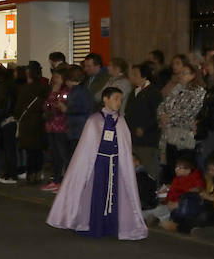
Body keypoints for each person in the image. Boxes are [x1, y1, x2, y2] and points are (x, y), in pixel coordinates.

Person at [47, 87, 147, 240]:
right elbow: (86, 148)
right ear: (105, 99)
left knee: (114, 194)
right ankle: (95, 225)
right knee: (98, 193)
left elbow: (125, 146)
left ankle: (111, 226)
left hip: (115, 164)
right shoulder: (94, 120)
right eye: (115, 98)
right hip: (98, 163)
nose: (118, 102)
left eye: (120, 99)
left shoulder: (120, 121)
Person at [157, 62, 206, 183]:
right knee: (169, 168)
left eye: (184, 73)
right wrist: (162, 115)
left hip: (184, 136)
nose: (181, 76)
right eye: (181, 73)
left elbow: (190, 111)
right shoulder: (177, 88)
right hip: (170, 135)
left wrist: (170, 118)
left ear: (193, 75)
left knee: (183, 169)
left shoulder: (198, 92)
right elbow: (163, 104)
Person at [124, 62, 161, 183]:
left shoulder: (153, 92)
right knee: (133, 168)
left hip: (147, 139)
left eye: (135, 74)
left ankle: (152, 193)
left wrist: (144, 128)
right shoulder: (133, 92)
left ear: (144, 76)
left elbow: (157, 115)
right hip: (132, 136)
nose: (132, 77)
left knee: (149, 167)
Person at [15, 61, 48, 184]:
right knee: (38, 150)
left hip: (27, 122)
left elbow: (18, 107)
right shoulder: (44, 86)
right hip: (40, 122)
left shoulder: (25, 88)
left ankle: (31, 174)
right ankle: (38, 173)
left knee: (30, 151)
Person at [158, 154, 205, 233]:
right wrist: (164, 198)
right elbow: (171, 194)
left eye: (180, 168)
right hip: (172, 205)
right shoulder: (176, 179)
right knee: (159, 209)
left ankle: (171, 224)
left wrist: (177, 203)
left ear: (188, 169)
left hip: (184, 207)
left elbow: (193, 192)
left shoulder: (195, 179)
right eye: (176, 167)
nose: (177, 169)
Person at [42, 68, 70, 192]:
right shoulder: (53, 89)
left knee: (63, 154)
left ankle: (64, 181)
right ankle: (56, 179)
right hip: (51, 126)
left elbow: (60, 106)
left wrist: (53, 104)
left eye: (57, 77)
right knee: (54, 154)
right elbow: (48, 105)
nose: (55, 79)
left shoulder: (66, 91)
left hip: (61, 126)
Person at [64, 65, 95, 162]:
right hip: (77, 129)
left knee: (77, 158)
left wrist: (67, 109)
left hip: (78, 129)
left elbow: (84, 108)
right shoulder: (81, 90)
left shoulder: (80, 91)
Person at [194, 53, 214, 171]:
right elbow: (205, 108)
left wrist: (202, 123)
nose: (207, 68)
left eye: (210, 65)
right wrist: (198, 120)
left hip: (213, 132)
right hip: (208, 132)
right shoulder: (211, 86)